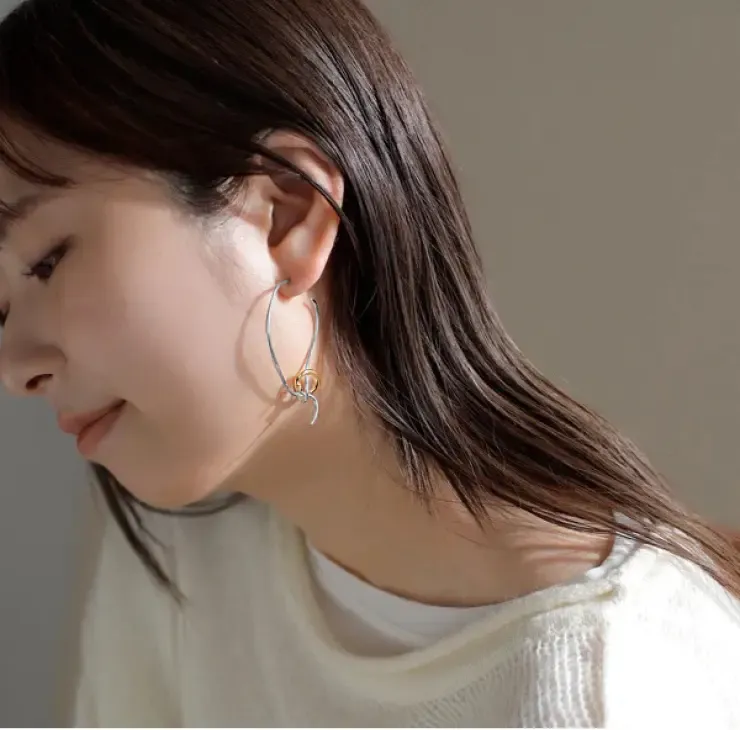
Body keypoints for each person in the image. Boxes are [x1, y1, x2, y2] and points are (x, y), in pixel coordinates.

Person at [0, 0, 738, 726]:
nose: (14, 369)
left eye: (47, 261)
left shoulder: (606, 683)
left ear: (289, 215)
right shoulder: (175, 554)